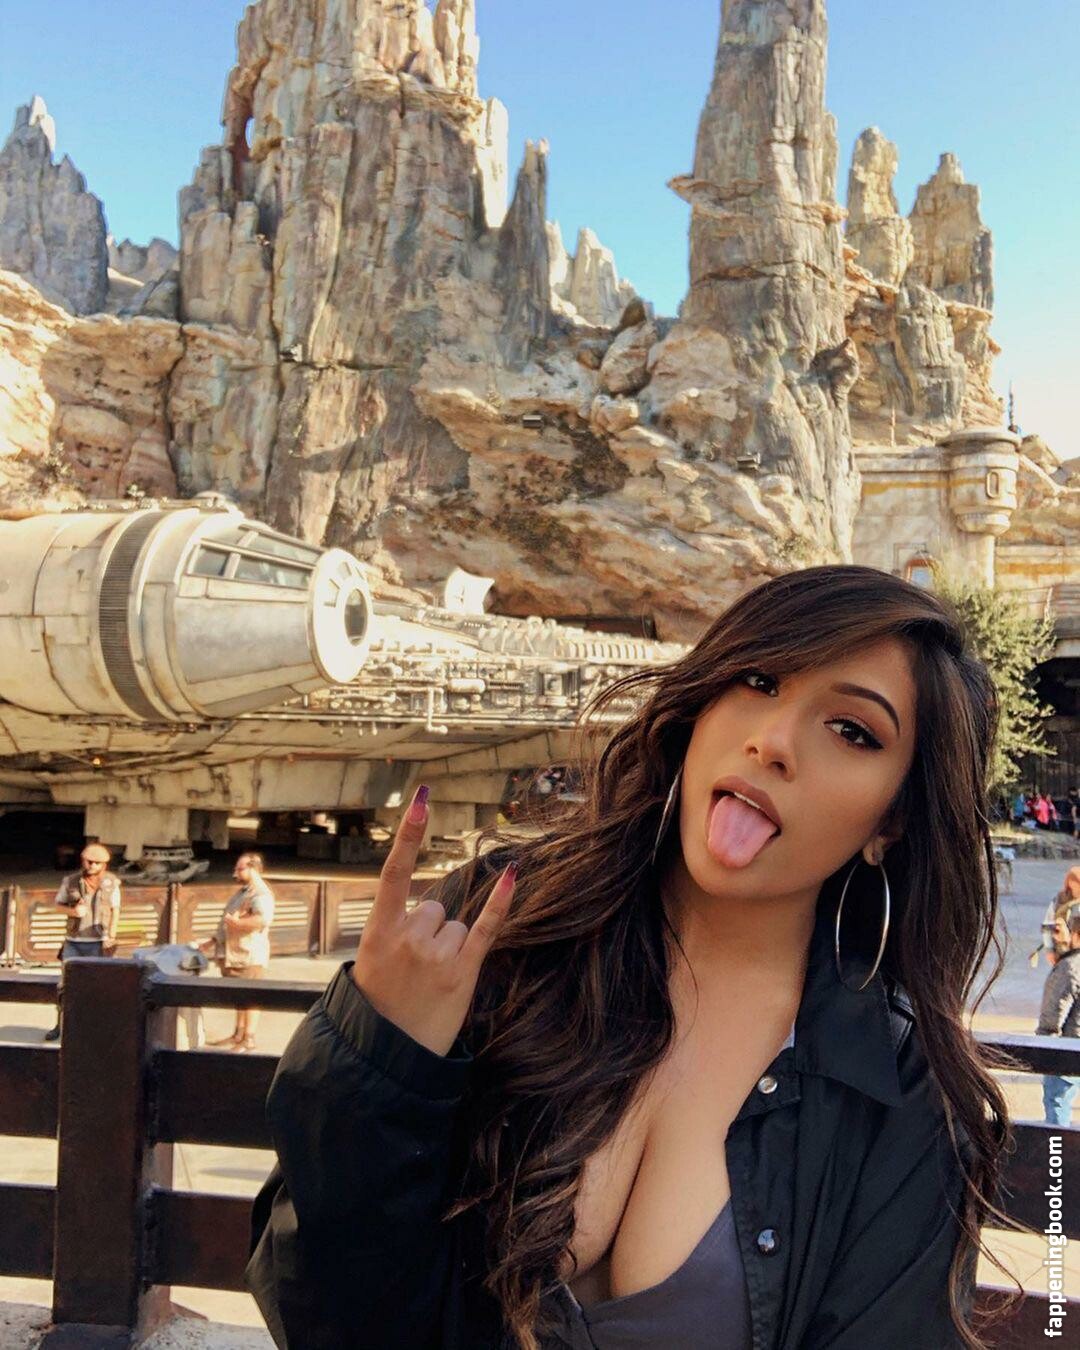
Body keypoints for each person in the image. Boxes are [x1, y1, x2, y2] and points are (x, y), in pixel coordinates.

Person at [246, 565, 1014, 1350]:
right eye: (758, 680)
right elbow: (324, 1313)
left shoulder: (899, 1091)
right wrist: (378, 1062)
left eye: (852, 731)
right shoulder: (505, 924)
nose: (773, 742)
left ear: (891, 822)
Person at [44, 842, 122, 1042]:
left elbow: (115, 910)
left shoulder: (112, 883)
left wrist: (112, 936)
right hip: (74, 942)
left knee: (99, 987)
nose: (91, 866)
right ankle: (61, 1025)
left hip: (99, 942)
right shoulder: (70, 881)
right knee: (65, 986)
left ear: (104, 864)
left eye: (96, 863)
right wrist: (73, 911)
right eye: (88, 861)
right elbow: (57, 905)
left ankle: (96, 1027)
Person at [198, 853, 274, 1052]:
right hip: (237, 954)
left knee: (250, 997)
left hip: (250, 954)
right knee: (240, 996)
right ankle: (238, 1035)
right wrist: (213, 940)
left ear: (253, 869)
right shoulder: (244, 892)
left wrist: (238, 924)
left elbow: (262, 920)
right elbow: (228, 920)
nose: (235, 873)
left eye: (240, 869)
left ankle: (249, 1038)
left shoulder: (260, 894)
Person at [1036, 912, 1080, 1126]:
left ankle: (1057, 1148)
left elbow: (1052, 1017)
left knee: (1057, 1103)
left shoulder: (1070, 967)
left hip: (1068, 1049)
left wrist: (1045, 1052)